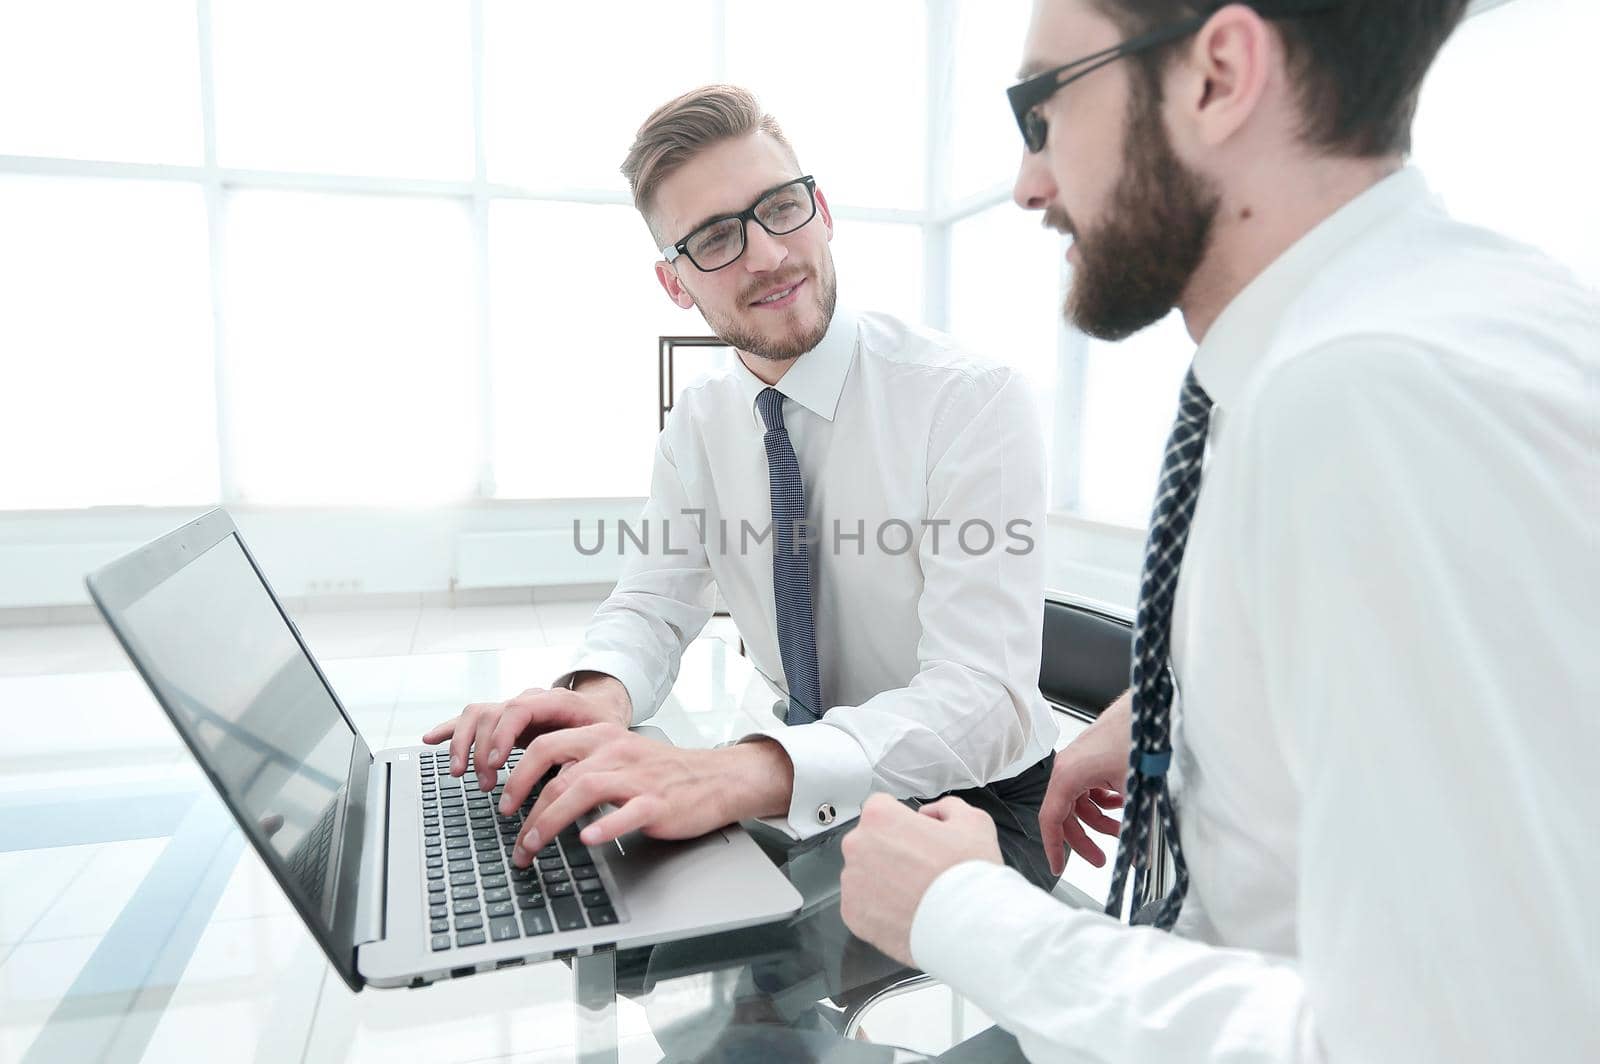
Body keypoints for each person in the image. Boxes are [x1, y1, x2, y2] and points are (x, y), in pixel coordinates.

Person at [839, 1, 1598, 1061]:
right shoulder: (1422, 323)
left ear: (1217, 74)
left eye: (1043, 106)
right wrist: (1184, 702)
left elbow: (1457, 1038)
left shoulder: (1367, 394)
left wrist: (959, 906)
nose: (1028, 182)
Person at [423, 85, 1062, 889]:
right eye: (717, 238)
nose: (766, 254)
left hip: (972, 806)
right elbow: (653, 601)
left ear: (822, 211)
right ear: (675, 283)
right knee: (648, 954)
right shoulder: (700, 420)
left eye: (781, 208)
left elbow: (982, 698)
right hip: (799, 793)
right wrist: (601, 695)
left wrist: (733, 774)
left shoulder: (969, 401)